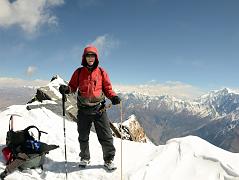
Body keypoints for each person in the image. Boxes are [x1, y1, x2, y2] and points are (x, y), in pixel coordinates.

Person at [59, 45, 121, 170]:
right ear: (84, 57)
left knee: (106, 136)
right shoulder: (79, 72)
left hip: (99, 109)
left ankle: (108, 160)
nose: (90, 58)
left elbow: (107, 89)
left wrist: (113, 97)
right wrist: (67, 89)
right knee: (83, 136)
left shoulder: (102, 72)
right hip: (83, 110)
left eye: (92, 55)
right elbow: (72, 87)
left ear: (96, 57)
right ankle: (85, 158)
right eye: (88, 55)